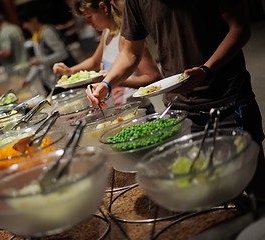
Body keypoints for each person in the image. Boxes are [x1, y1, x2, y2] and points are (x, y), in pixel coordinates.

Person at [86, 0, 265, 203]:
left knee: (255, 187)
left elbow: (240, 28)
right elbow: (129, 53)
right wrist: (106, 84)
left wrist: (206, 69)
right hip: (180, 110)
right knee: (207, 192)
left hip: (227, 99)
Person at [53, 0, 161, 111]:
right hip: (118, 110)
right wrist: (70, 70)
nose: (87, 23)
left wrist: (113, 81)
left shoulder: (128, 37)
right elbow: (94, 61)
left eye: (89, 17)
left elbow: (153, 77)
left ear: (103, 8)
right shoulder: (106, 33)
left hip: (139, 109)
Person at [20, 5, 77, 94]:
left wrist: (41, 61)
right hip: (51, 82)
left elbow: (62, 53)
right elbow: (38, 62)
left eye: (26, 22)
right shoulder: (37, 35)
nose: (25, 26)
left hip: (61, 80)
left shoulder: (47, 32)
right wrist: (28, 79)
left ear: (34, 19)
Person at [0, 12, 28, 77]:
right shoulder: (14, 27)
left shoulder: (3, 33)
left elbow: (7, 52)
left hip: (15, 69)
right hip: (25, 63)